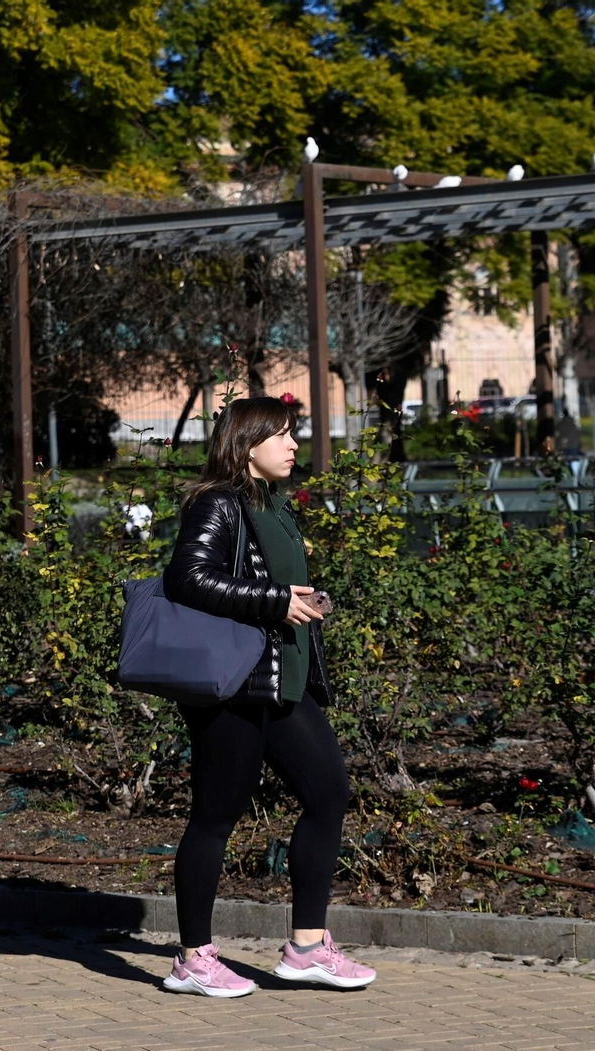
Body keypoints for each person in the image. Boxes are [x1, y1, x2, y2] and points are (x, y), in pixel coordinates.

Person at [159, 396, 376, 998]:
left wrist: (298, 598)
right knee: (215, 815)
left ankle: (307, 947)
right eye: (280, 435)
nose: (292, 445)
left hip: (282, 680)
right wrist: (274, 601)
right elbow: (187, 578)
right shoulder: (218, 503)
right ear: (245, 443)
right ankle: (193, 958)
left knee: (329, 792)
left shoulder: (273, 506)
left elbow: (264, 581)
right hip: (233, 686)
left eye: (292, 435)